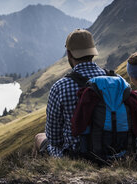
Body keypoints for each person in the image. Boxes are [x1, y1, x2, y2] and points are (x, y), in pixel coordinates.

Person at [34, 29, 106, 157]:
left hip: (75, 156)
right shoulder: (115, 80)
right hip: (112, 153)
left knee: (39, 138)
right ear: (92, 52)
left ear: (68, 53)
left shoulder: (60, 87)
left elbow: (54, 139)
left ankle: (39, 173)